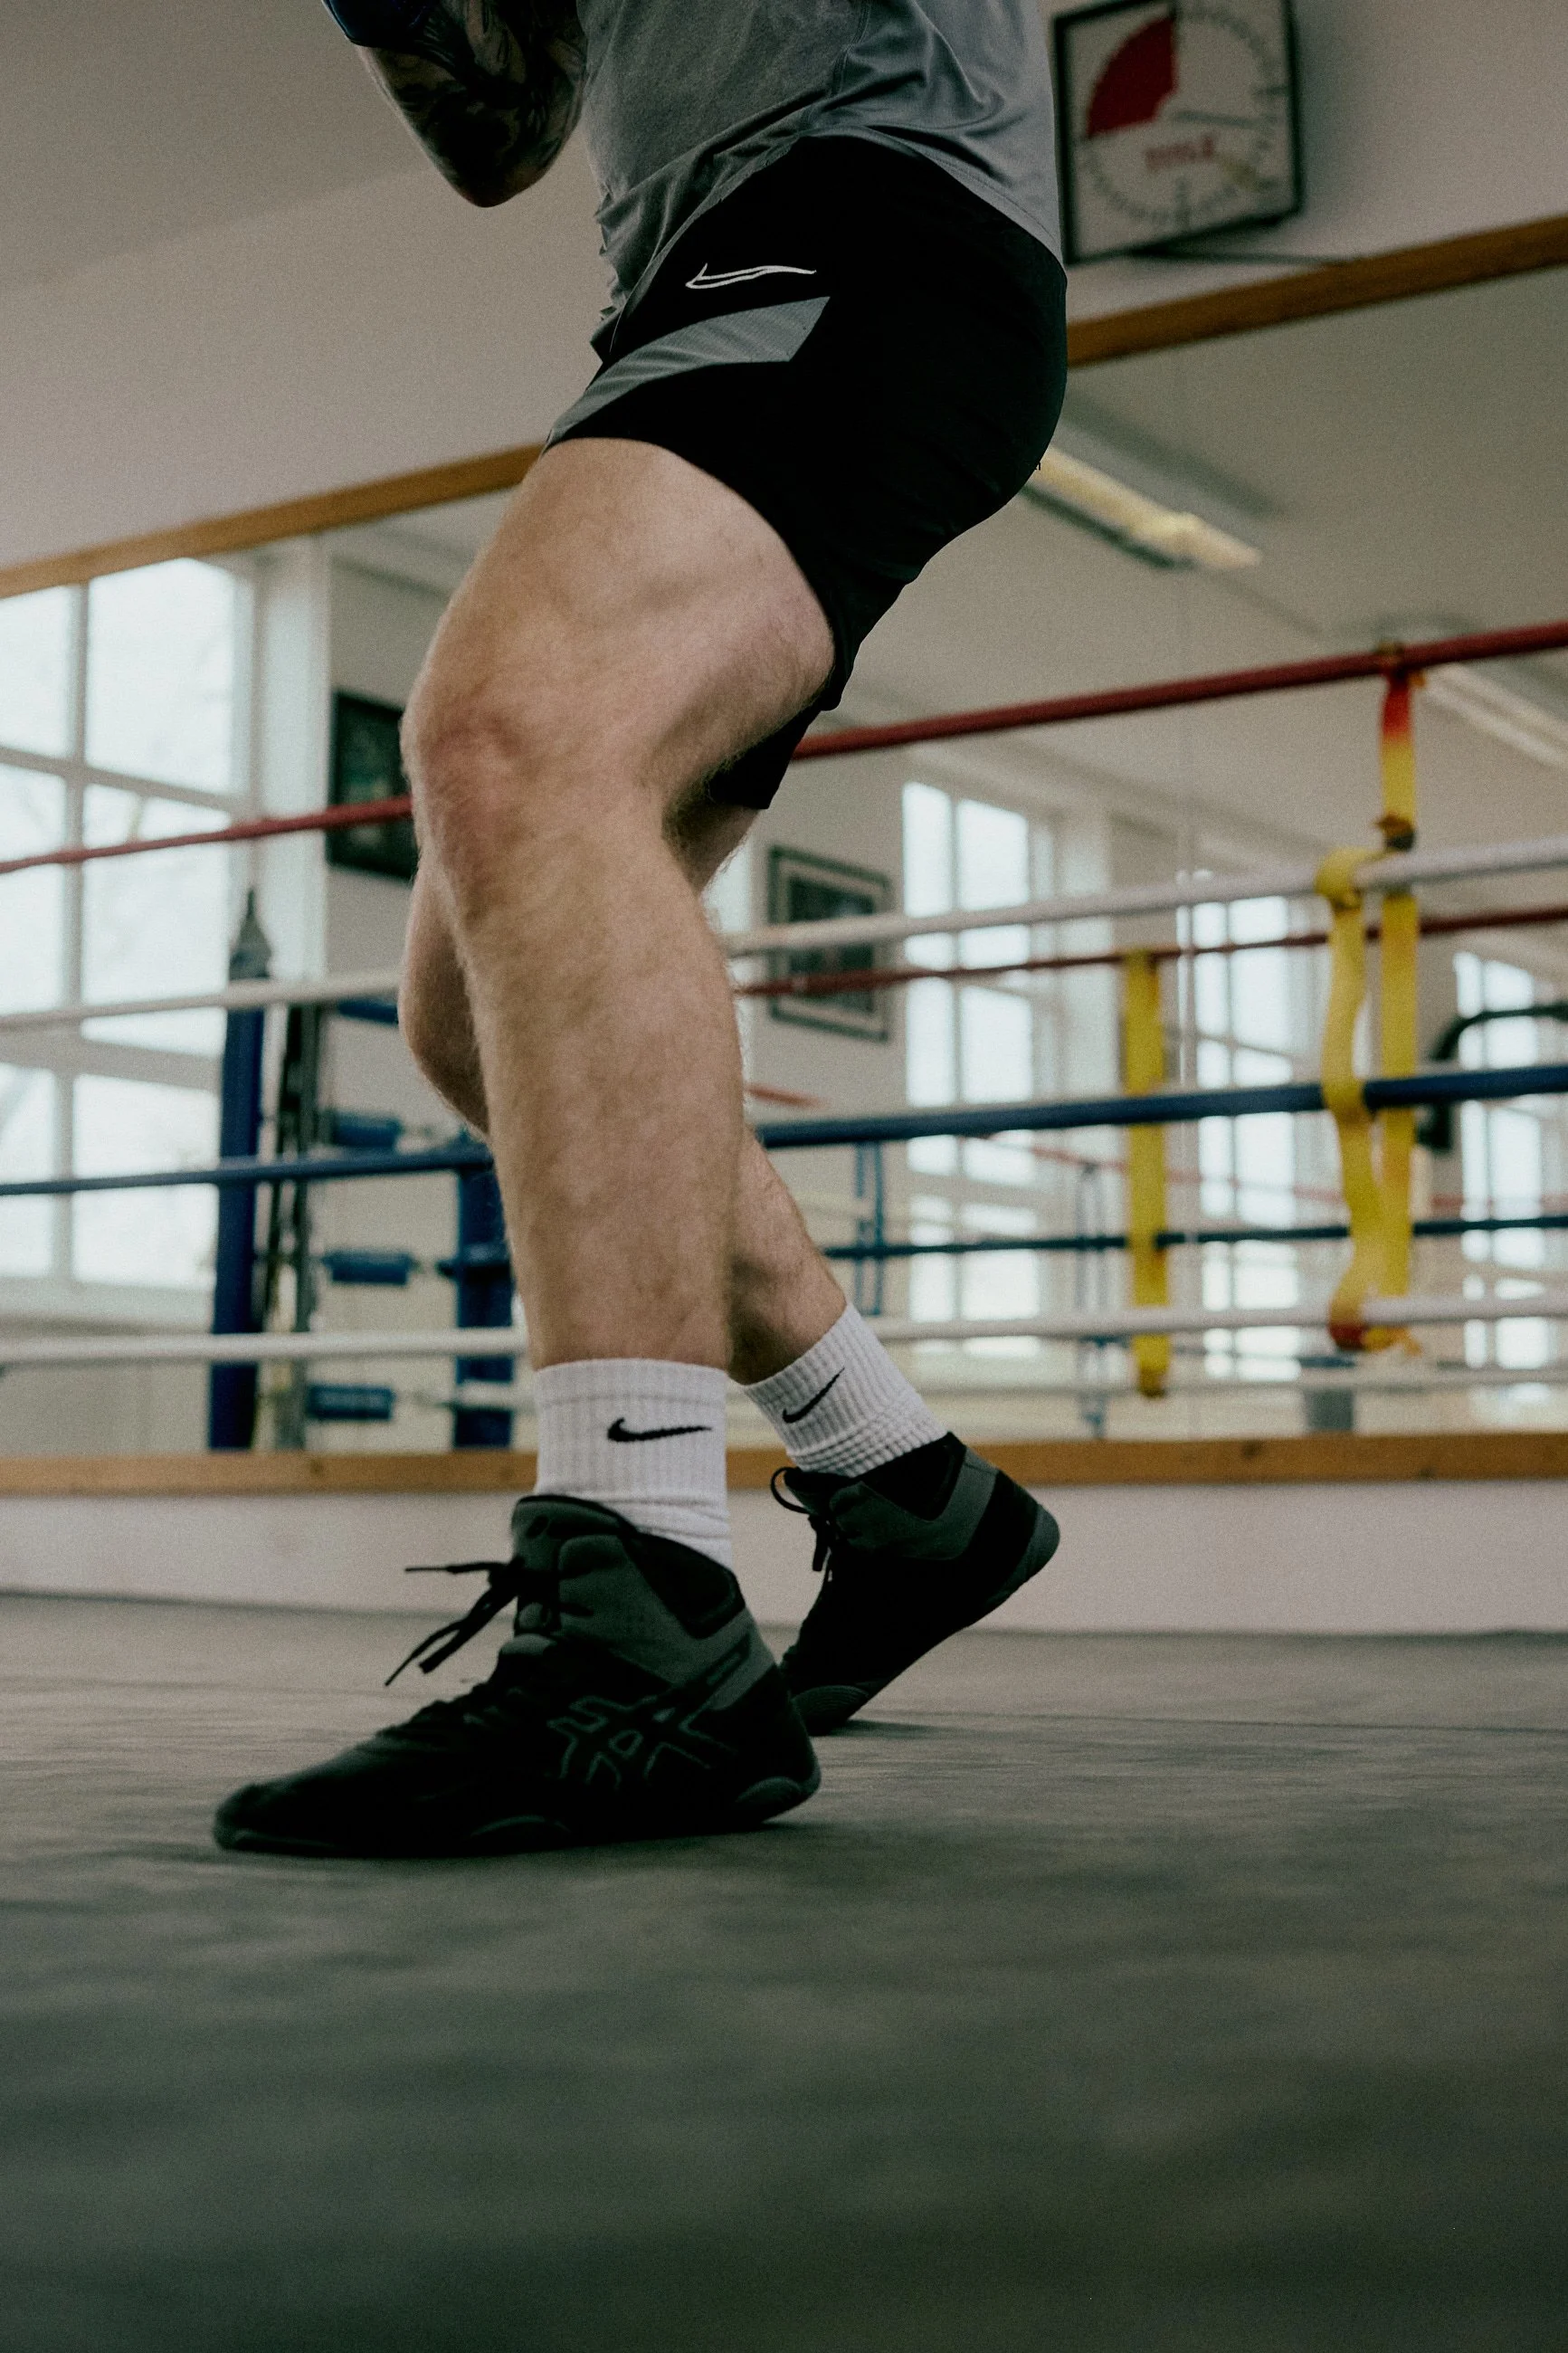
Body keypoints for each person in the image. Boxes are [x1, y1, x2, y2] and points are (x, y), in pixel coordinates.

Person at [215, 0, 1067, 1859]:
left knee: (513, 737)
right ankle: (898, 1476)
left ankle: (640, 1604)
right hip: (700, 271)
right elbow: (501, 130)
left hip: (871, 200)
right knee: (465, 1004)